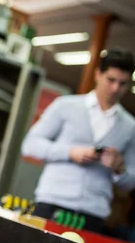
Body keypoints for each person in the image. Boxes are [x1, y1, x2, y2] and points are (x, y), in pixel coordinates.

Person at [22, 48, 135, 233]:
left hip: (94, 214)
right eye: (111, 80)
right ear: (98, 74)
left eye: (122, 83)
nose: (115, 89)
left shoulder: (130, 127)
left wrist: (119, 168)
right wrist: (70, 152)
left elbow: (131, 181)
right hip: (52, 203)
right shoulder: (65, 106)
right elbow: (30, 145)